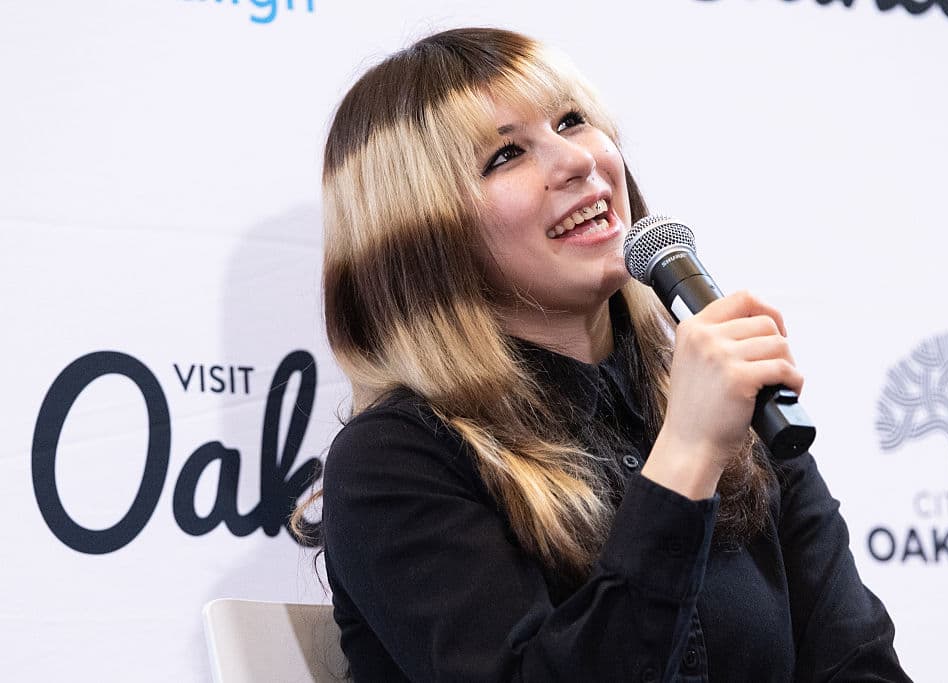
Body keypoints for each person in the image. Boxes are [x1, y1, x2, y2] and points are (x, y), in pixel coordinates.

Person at [297, 27, 911, 682]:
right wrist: (686, 456)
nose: (578, 162)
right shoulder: (394, 460)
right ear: (425, 241)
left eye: (573, 121)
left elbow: (858, 662)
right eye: (506, 155)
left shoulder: (731, 409)